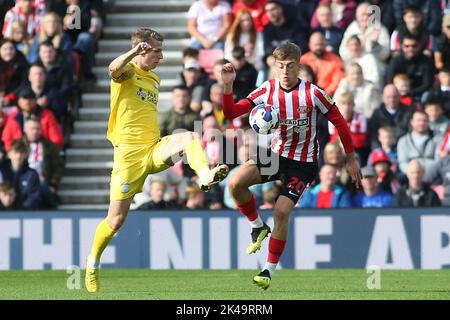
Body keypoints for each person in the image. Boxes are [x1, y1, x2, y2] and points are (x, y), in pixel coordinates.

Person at [84, 28, 229, 293]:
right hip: (128, 157)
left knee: (188, 138)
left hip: (153, 148)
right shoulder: (128, 73)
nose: (161, 56)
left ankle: (206, 175)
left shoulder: (154, 79)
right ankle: (92, 263)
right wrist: (132, 53)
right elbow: (113, 68)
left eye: (161, 51)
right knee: (115, 221)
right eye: (157, 51)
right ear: (141, 49)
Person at [220, 42, 362, 290]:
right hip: (275, 156)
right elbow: (231, 112)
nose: (285, 71)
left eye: (290, 66)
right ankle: (257, 226)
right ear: (274, 67)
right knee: (234, 183)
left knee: (281, 211)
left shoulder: (314, 94)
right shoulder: (267, 90)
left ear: (299, 66)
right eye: (280, 66)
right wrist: (228, 86)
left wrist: (350, 158)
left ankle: (268, 270)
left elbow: (340, 123)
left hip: (302, 164)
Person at [1, 85, 64, 150]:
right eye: (25, 98)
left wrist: (47, 152)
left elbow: (56, 140)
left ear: (35, 101)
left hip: (43, 153)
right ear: (19, 102)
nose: (28, 101)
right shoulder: (13, 117)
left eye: (31, 98)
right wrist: (15, 153)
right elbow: (6, 139)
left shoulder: (47, 115)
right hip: (18, 154)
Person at [300, 32, 345, 96]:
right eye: (316, 45)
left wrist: (323, 95)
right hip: (306, 94)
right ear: (310, 45)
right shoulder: (303, 60)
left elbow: (336, 82)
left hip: (328, 96)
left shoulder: (335, 60)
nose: (318, 47)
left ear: (325, 44)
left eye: (321, 44)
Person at [397, 110, 439, 174]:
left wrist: (425, 174)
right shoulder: (403, 141)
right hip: (410, 176)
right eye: (418, 120)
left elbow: (439, 160)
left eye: (425, 120)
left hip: (432, 175)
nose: (421, 123)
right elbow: (402, 162)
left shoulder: (437, 138)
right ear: (412, 122)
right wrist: (414, 173)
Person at [4, 139, 42, 209]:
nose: (18, 156)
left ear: (25, 155)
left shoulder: (32, 174)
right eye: (15, 152)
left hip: (25, 214)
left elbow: (34, 197)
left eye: (21, 153)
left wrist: (23, 210)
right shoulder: (2, 173)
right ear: (9, 154)